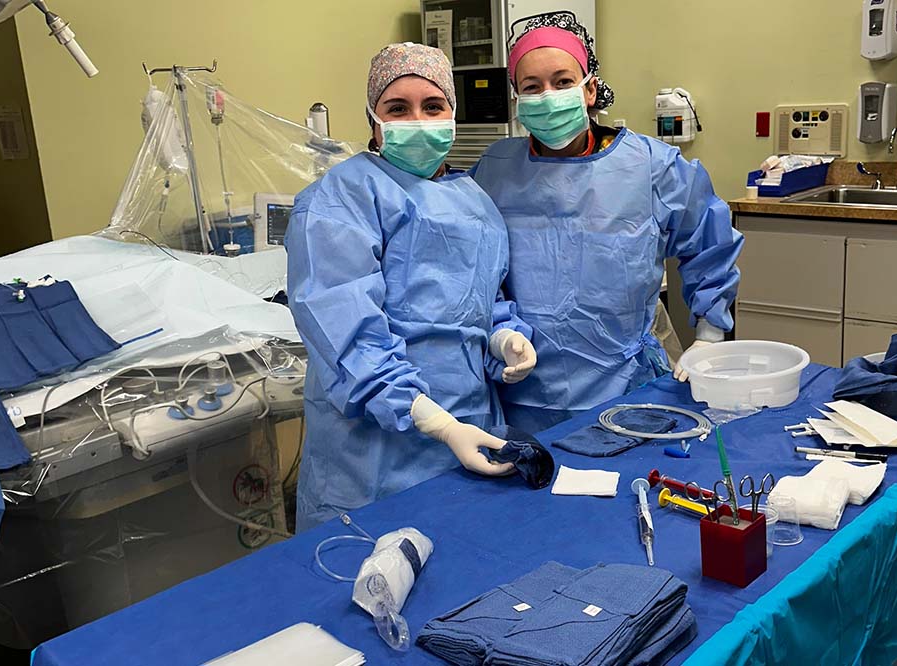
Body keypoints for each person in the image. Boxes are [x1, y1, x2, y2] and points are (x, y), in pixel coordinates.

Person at [286, 43, 537, 531]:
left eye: (433, 106)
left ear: (452, 113)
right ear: (374, 120)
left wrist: (503, 339)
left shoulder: (473, 201)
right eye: (397, 108)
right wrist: (438, 424)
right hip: (373, 459)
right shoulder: (339, 201)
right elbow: (350, 341)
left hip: (472, 432)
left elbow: (483, 301)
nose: (417, 120)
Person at [470, 12, 743, 434]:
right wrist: (502, 333)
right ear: (517, 100)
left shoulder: (650, 165)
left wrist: (709, 335)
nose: (549, 96)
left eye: (562, 82)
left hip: (626, 388)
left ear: (589, 88)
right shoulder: (494, 171)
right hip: (523, 391)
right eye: (532, 87)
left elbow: (708, 242)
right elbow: (480, 275)